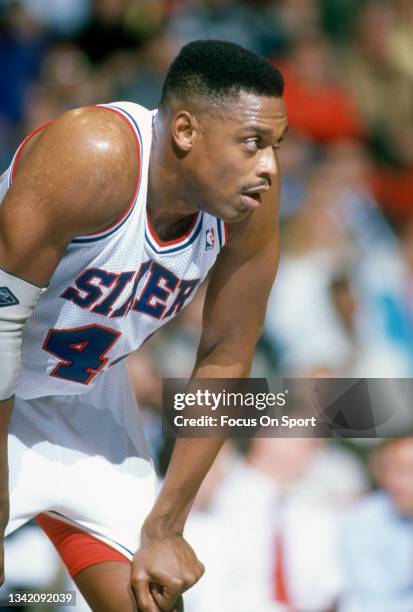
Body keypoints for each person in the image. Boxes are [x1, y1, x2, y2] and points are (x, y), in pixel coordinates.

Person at [0, 39, 288, 611]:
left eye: (277, 145)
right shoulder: (92, 155)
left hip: (84, 396)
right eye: (253, 143)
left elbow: (227, 357)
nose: (270, 166)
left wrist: (168, 524)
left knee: (152, 597)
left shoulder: (252, 202)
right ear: (185, 131)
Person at [340, 435, 413, 611]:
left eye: (407, 470)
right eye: (387, 470)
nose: (394, 481)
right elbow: (373, 599)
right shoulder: (364, 519)